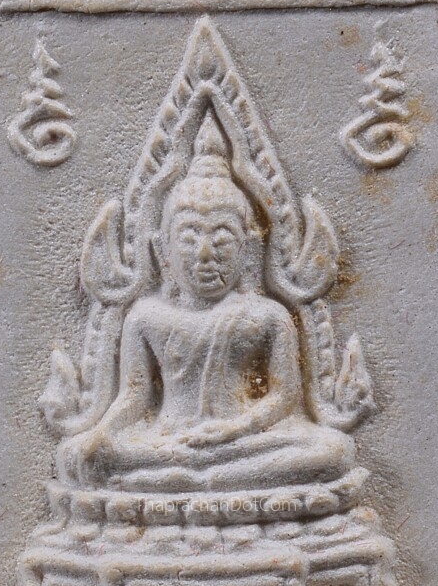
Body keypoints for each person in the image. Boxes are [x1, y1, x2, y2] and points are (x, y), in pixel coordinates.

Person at [58, 111, 354, 491]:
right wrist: (102, 433)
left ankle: (185, 480)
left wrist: (235, 429)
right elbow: (133, 397)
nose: (204, 254)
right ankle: (203, 478)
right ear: (162, 251)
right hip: (167, 441)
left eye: (222, 238)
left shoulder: (268, 316)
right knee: (80, 455)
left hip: (244, 441)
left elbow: (284, 396)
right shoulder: (146, 317)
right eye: (188, 237)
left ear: (249, 250)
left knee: (333, 451)